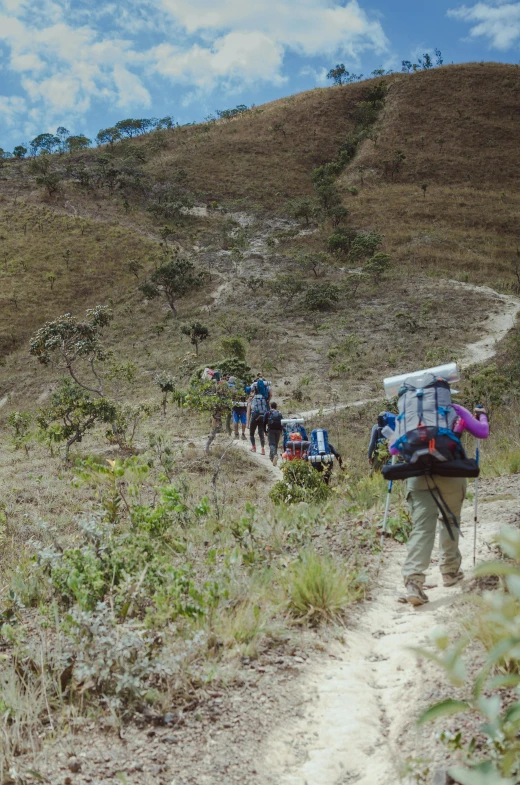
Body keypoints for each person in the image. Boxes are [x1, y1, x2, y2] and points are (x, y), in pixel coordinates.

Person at [392, 404, 489, 606]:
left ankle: (413, 582)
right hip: (451, 472)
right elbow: (482, 432)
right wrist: (483, 416)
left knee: (422, 527)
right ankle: (450, 572)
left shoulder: (409, 411)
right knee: (449, 519)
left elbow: (393, 448)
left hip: (418, 475)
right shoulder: (453, 408)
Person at [248, 389, 269, 454]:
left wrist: (248, 423)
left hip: (255, 417)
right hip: (262, 417)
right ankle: (263, 449)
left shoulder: (253, 399)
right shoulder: (263, 398)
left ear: (255, 392)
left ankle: (254, 447)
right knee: (261, 433)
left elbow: (250, 409)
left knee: (252, 433)